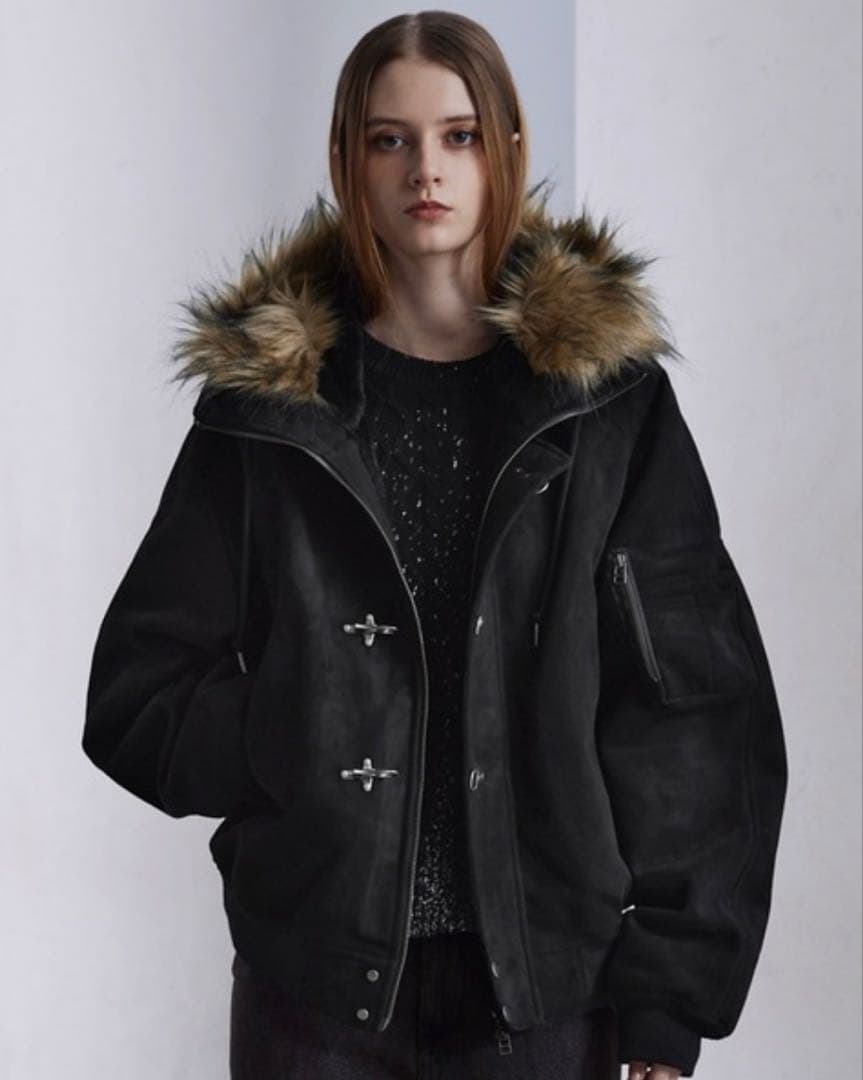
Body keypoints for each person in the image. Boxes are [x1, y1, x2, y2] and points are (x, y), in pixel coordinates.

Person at [81, 10, 788, 1079]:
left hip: (545, 991)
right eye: (390, 139)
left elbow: (694, 710)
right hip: (313, 991)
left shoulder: (605, 409)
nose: (426, 169)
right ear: (346, 159)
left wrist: (669, 999)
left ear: (505, 150)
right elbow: (137, 694)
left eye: (458, 135)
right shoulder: (266, 415)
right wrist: (296, 732)